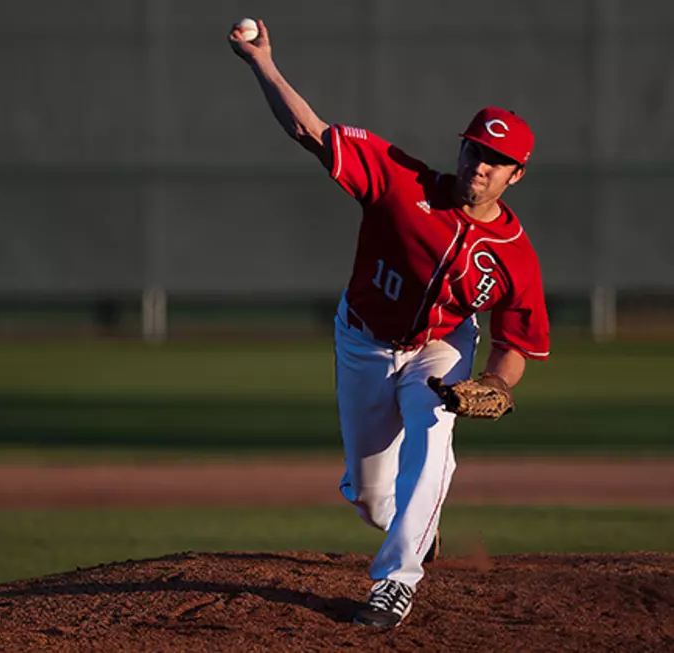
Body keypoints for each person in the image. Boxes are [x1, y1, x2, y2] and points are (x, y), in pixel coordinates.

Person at [229, 20, 550, 627]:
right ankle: (414, 525)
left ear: (517, 175)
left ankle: (395, 581)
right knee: (374, 495)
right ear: (462, 148)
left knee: (433, 430)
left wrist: (499, 385)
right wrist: (262, 65)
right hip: (363, 341)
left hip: (441, 347)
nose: (481, 165)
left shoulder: (516, 253)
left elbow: (516, 344)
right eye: (476, 149)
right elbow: (308, 130)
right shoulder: (400, 183)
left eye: (498, 160)